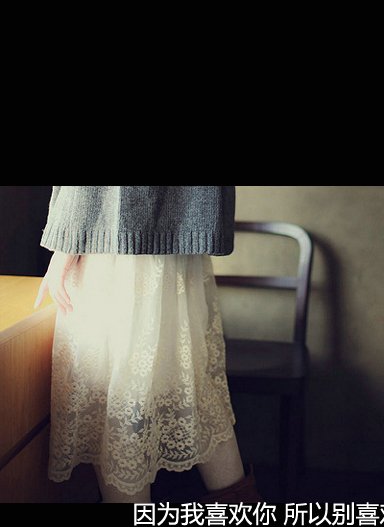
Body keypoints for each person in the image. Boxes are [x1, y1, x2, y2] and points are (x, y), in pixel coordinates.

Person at [34, 186, 262, 505]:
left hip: (116, 236)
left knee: (118, 400)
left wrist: (66, 246)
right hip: (176, 235)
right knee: (190, 386)